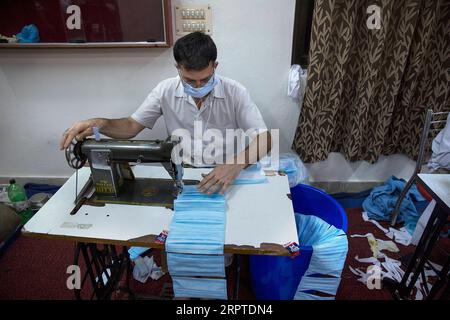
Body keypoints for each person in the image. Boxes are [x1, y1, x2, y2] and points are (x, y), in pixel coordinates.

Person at [60, 32, 271, 195]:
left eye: (205, 79)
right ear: (177, 67)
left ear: (215, 66)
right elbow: (132, 126)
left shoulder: (235, 92)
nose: (198, 86)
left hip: (224, 171)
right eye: (190, 80)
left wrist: (234, 165)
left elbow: (265, 138)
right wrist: (100, 123)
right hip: (181, 171)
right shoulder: (165, 90)